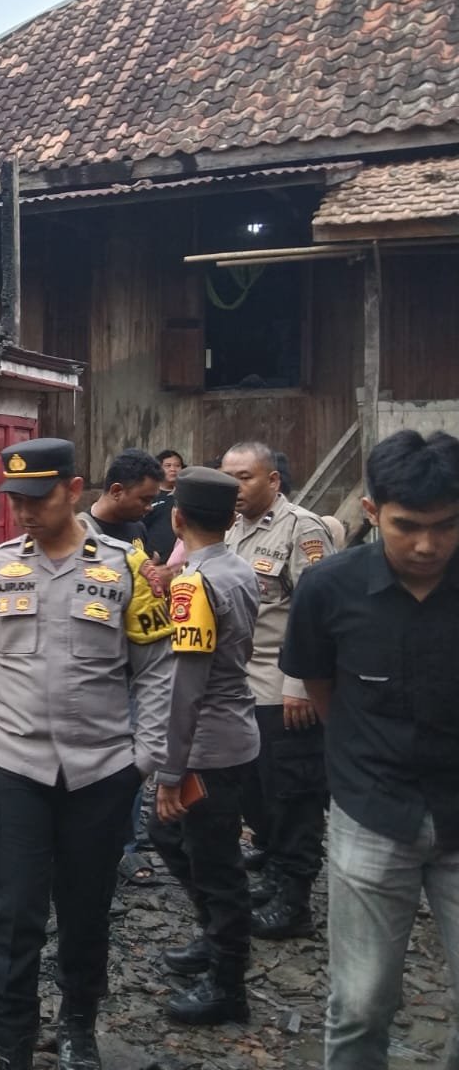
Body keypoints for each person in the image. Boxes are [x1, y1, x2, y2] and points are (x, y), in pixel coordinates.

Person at [0, 437, 173, 1070]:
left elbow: (157, 670)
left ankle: (78, 1026)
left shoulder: (126, 569)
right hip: (14, 769)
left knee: (85, 910)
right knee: (13, 914)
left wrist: (145, 758)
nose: (23, 512)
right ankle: (12, 1043)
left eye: (37, 499)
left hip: (101, 774)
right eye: (14, 499)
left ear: (74, 491)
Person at [285, 430, 459, 1070]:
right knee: (360, 1003)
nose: (427, 545)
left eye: (446, 526)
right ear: (371, 511)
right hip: (371, 812)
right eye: (407, 526)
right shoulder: (328, 588)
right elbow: (320, 685)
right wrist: (363, 757)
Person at [143, 467, 261, 1025]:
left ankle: (228, 984)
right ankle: (215, 936)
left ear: (177, 519)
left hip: (206, 745)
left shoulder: (194, 584)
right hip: (233, 730)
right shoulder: (238, 568)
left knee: (217, 865)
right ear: (231, 519)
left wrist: (171, 773)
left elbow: (186, 687)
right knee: (169, 835)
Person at [220, 440, 333, 938]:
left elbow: (319, 613)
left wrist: (301, 685)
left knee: (293, 793)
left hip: (281, 687)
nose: (235, 487)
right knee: (254, 788)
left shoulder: (302, 529)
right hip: (239, 686)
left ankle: (295, 899)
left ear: (272, 480)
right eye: (228, 477)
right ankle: (273, 862)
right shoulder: (231, 528)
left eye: (244, 477)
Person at [81, 448, 170, 887]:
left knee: (129, 760)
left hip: (136, 666)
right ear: (116, 490)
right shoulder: (82, 534)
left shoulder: (136, 529)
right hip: (98, 674)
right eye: (145, 498)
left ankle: (126, 845)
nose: (150, 507)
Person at [144, 449, 185, 562]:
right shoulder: (149, 495)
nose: (173, 469)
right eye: (168, 466)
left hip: (179, 559)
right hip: (152, 559)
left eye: (177, 466)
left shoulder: (186, 496)